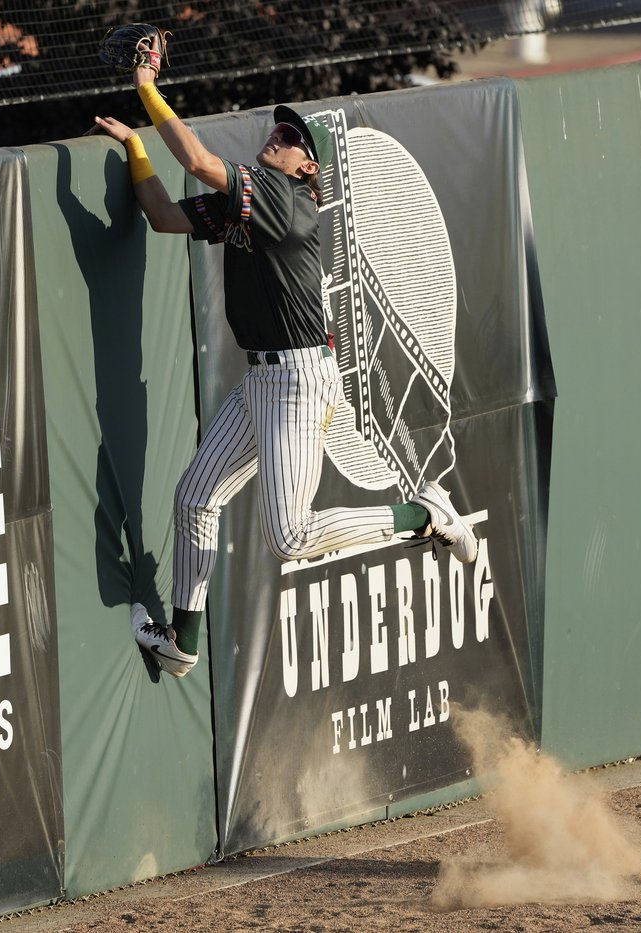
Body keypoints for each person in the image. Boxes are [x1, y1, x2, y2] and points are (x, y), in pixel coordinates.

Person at [92, 51, 477, 680]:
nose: (279, 135)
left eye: (293, 136)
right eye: (280, 129)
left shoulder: (289, 199)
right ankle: (182, 640)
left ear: (309, 168)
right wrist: (136, 145)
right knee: (194, 497)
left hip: (300, 380)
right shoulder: (256, 201)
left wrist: (147, 90)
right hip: (266, 378)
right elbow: (163, 216)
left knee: (289, 538)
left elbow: (195, 161)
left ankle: (425, 515)